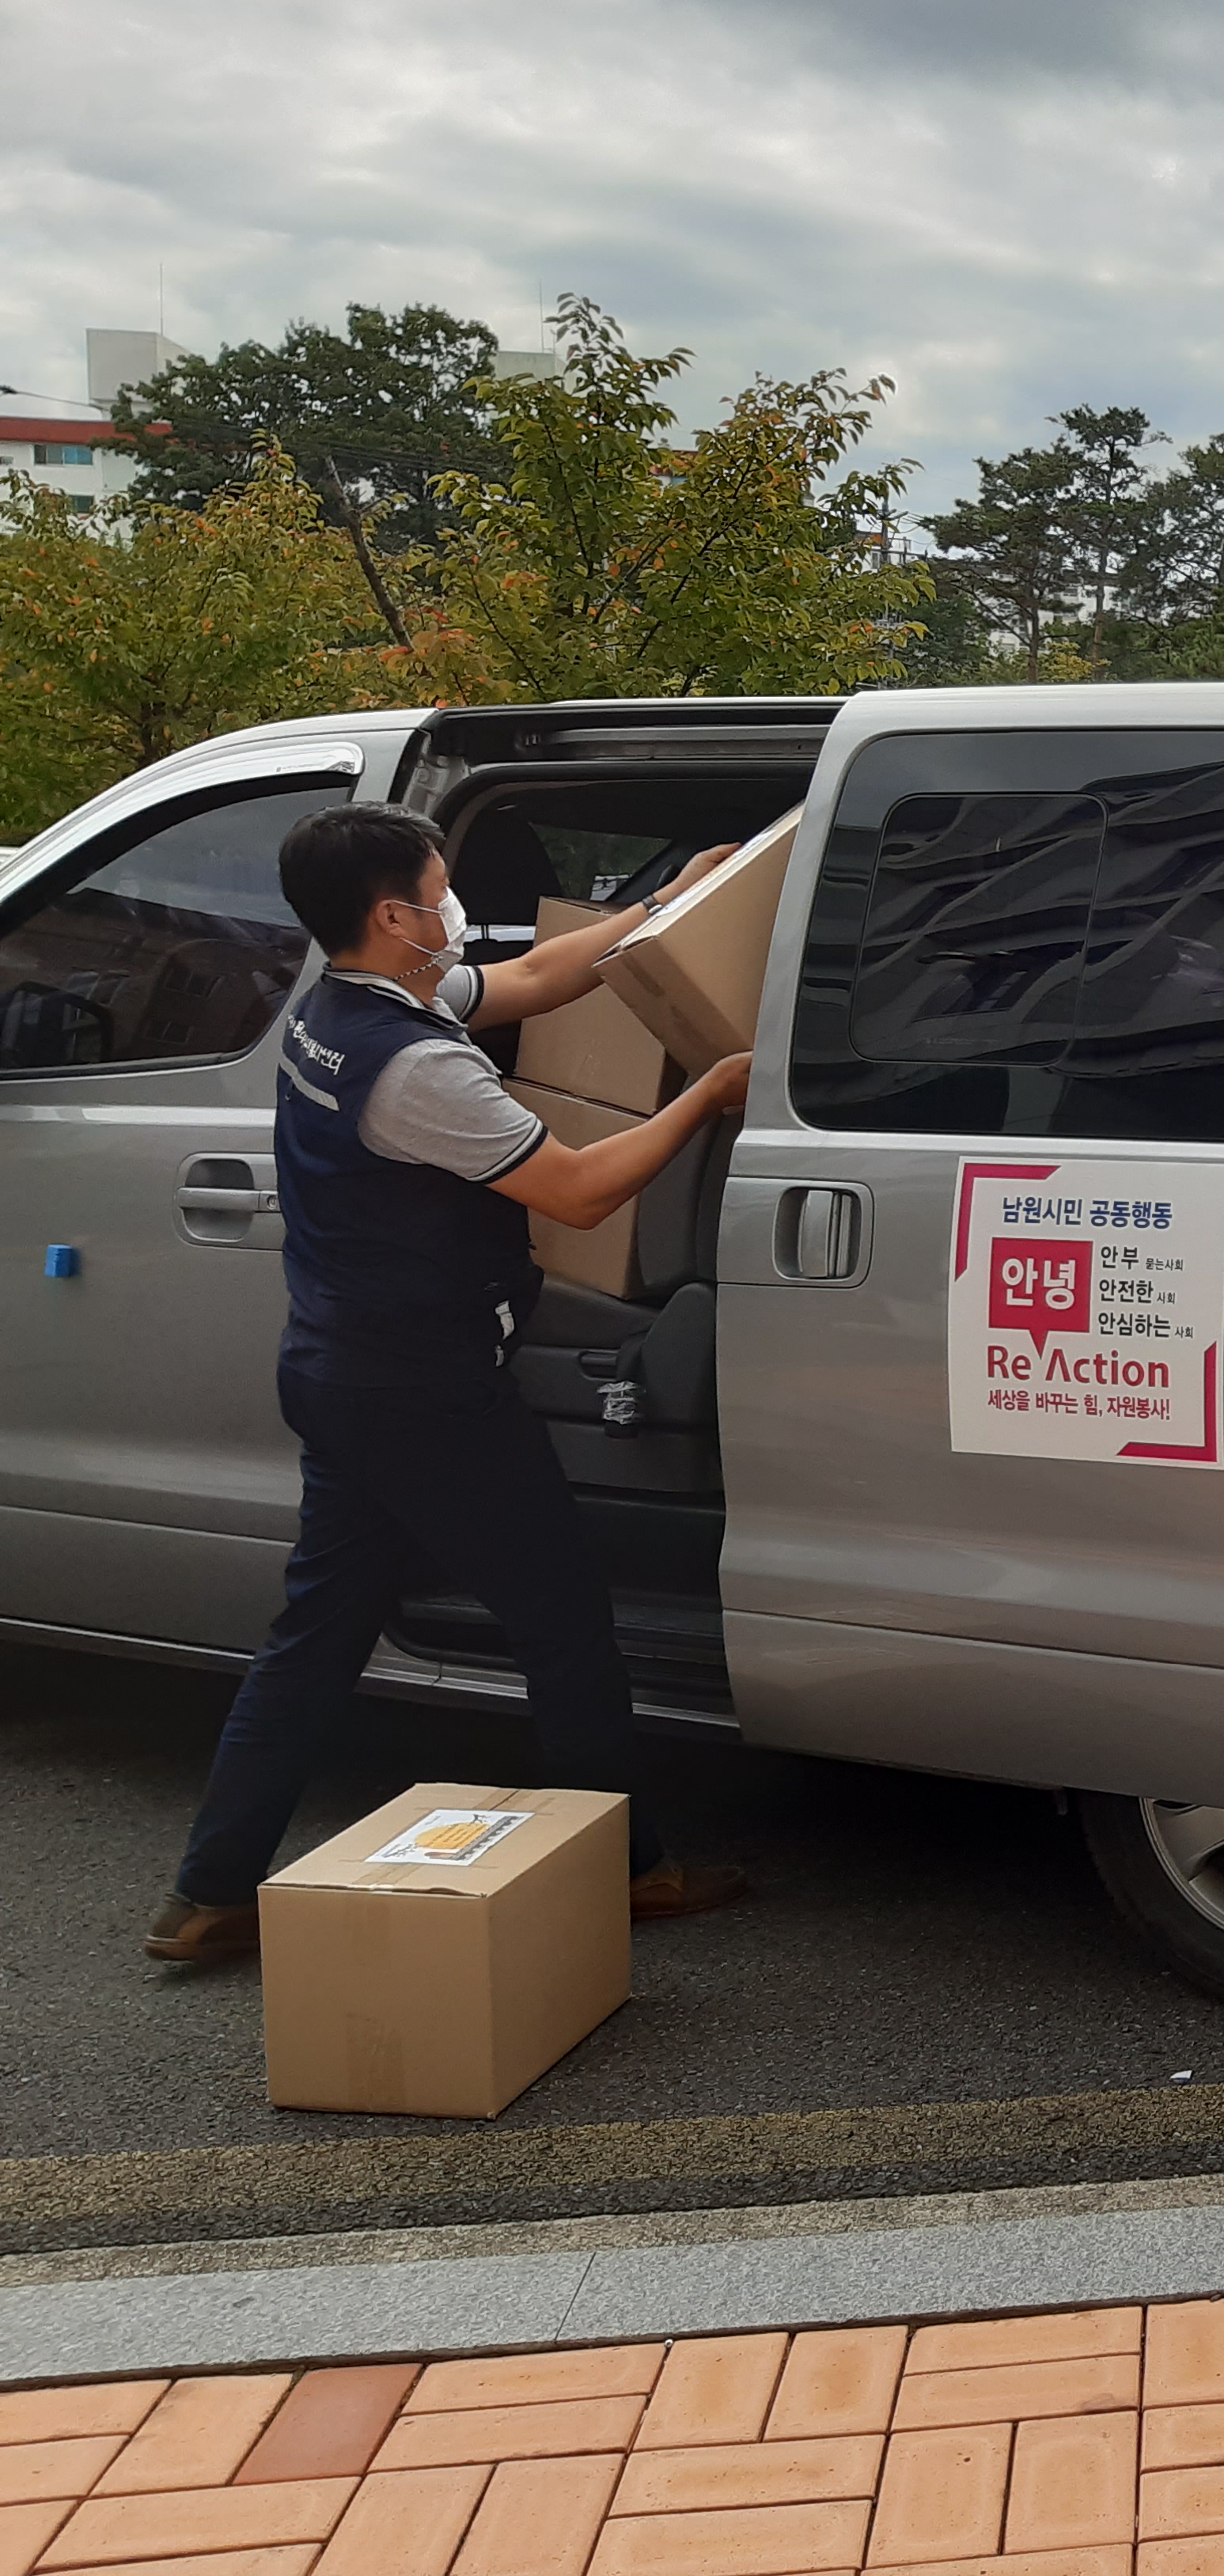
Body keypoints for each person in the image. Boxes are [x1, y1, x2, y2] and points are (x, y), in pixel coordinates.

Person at [143, 805, 756, 1964]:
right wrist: (705, 1095)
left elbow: (533, 977)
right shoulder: (418, 1068)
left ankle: (211, 1892)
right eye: (440, 892)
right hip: (423, 1393)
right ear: (395, 916)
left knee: (317, 1633)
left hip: (340, 1368)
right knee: (562, 1621)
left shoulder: (343, 1008)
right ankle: (632, 1871)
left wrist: (662, 907)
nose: (454, 910)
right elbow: (578, 1192)